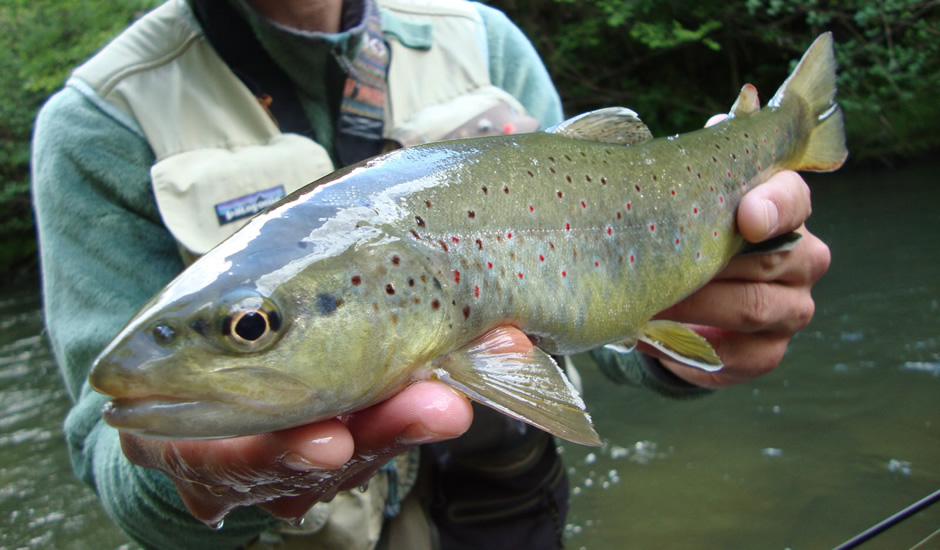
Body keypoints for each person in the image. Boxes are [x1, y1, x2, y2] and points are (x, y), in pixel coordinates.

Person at [30, 0, 831, 548]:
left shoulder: (482, 37)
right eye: (253, 326)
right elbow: (111, 438)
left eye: (250, 326)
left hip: (511, 516)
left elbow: (585, 320)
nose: (252, 328)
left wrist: (700, 333)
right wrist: (199, 489)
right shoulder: (96, 122)